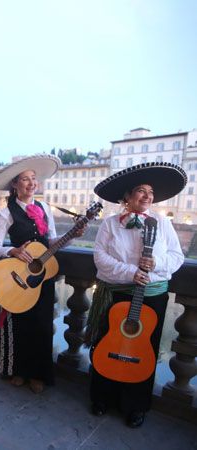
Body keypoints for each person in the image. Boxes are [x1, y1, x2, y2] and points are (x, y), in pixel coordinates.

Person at [86, 162, 187, 428]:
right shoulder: (110, 224)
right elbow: (100, 258)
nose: (147, 197)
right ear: (127, 197)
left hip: (152, 296)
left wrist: (157, 264)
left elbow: (177, 256)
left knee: (144, 349)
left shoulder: (162, 223)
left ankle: (136, 405)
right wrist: (131, 272)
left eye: (150, 192)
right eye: (141, 191)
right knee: (108, 344)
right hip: (116, 293)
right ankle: (102, 397)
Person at [0, 155, 86, 394]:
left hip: (42, 277)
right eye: (25, 179)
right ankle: (17, 370)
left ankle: (38, 374)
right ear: (15, 185)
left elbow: (51, 241)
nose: (32, 183)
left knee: (41, 326)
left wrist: (72, 235)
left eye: (34, 179)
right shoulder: (6, 213)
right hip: (17, 276)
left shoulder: (44, 209)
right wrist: (14, 250)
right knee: (19, 325)